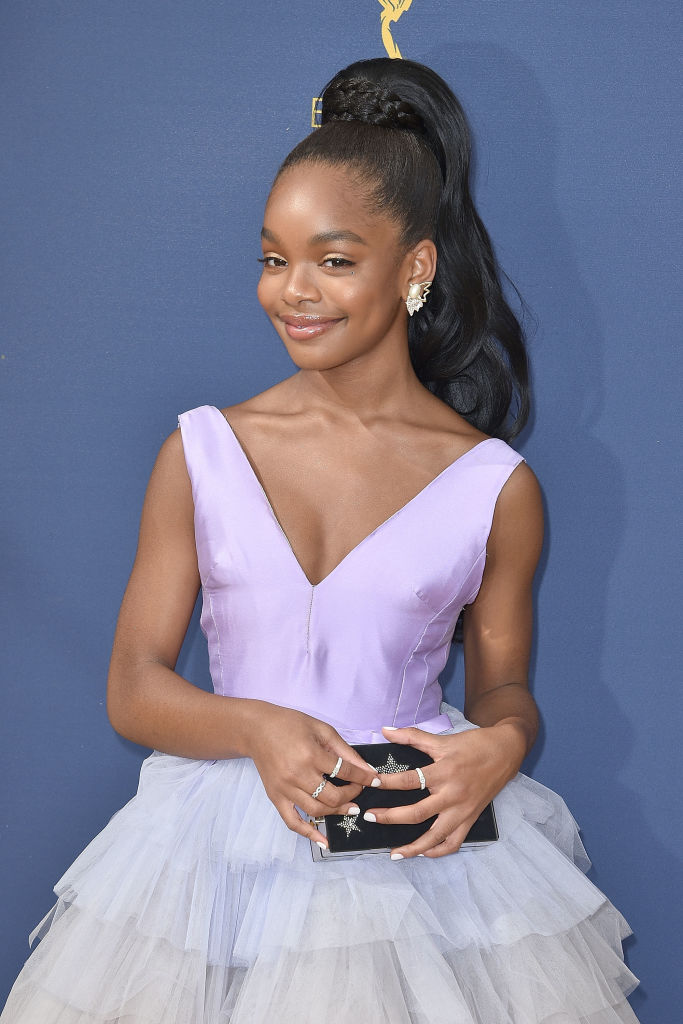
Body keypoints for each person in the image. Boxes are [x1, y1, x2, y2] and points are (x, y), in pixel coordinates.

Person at [1, 57, 639, 1023]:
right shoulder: (201, 452)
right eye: (273, 259)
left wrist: (500, 747)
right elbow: (133, 687)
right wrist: (257, 729)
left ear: (414, 268)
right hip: (206, 866)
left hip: (414, 862)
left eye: (333, 261)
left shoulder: (493, 488)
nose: (292, 292)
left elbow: (502, 688)